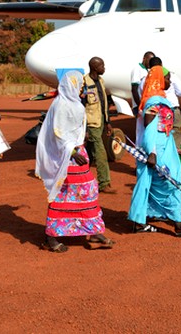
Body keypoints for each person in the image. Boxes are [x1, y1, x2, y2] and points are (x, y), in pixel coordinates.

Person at [35, 70, 114, 252]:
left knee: (87, 192)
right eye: (78, 85)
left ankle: (93, 230)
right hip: (68, 157)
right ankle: (52, 236)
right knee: (64, 193)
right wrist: (71, 150)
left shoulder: (73, 103)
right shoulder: (62, 105)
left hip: (78, 153)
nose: (81, 88)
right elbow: (58, 133)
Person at [129, 66, 181, 237]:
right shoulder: (154, 102)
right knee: (171, 183)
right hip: (156, 152)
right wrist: (152, 152)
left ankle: (140, 222)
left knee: (153, 184)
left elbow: (163, 130)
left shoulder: (160, 99)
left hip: (164, 149)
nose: (169, 81)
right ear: (159, 79)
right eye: (167, 78)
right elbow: (150, 128)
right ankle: (178, 223)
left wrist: (173, 147)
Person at [83, 57, 114, 193]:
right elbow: (81, 106)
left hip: (101, 120)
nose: (104, 68)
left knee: (89, 152)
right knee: (100, 152)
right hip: (91, 123)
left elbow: (104, 103)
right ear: (95, 67)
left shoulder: (101, 81)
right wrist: (84, 128)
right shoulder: (84, 82)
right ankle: (104, 183)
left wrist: (108, 122)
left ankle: (78, 178)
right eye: (102, 65)